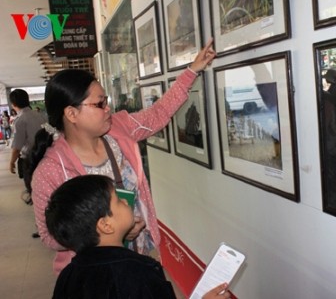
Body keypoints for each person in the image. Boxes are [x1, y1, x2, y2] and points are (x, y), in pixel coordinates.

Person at [29, 39, 216, 274]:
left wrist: (191, 71)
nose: (108, 108)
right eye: (100, 104)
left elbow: (159, 113)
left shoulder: (119, 128)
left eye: (106, 101)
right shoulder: (51, 171)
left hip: (139, 256)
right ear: (71, 113)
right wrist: (111, 232)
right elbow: (49, 236)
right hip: (95, 275)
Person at [46, 175, 231, 299]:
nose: (126, 201)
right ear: (105, 225)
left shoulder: (68, 275)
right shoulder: (140, 272)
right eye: (117, 200)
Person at [8, 89, 47, 205]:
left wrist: (11, 162)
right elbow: (51, 132)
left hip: (29, 160)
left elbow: (17, 146)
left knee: (32, 188)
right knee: (44, 186)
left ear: (13, 104)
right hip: (44, 156)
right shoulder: (40, 116)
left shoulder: (20, 121)